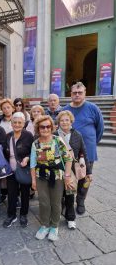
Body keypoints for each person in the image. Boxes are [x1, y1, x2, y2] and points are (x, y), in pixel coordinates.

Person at [63, 81, 104, 214]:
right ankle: (67, 199)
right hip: (68, 152)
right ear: (71, 94)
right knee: (68, 175)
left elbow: (100, 129)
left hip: (88, 152)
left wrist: (91, 143)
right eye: (74, 92)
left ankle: (81, 200)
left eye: (80, 93)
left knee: (86, 178)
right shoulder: (65, 110)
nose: (77, 95)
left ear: (85, 93)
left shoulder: (93, 108)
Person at [30, 115, 72, 241]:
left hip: (57, 176)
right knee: (43, 202)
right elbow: (32, 163)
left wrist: (67, 176)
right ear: (38, 128)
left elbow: (68, 158)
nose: (45, 129)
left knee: (56, 202)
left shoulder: (58, 140)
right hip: (41, 176)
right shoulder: (35, 143)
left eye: (48, 126)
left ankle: (54, 226)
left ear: (52, 127)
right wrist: (33, 180)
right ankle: (45, 225)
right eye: (42, 127)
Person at [55, 110, 92, 229]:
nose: (64, 122)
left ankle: (70, 218)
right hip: (56, 169)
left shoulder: (77, 135)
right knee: (57, 194)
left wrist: (89, 172)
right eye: (62, 120)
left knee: (70, 195)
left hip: (71, 171)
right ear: (58, 122)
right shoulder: (54, 135)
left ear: (71, 121)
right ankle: (56, 215)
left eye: (67, 120)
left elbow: (84, 152)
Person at [3, 112, 34, 228]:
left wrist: (27, 158)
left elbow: (33, 152)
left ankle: (23, 215)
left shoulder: (28, 136)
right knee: (11, 193)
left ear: (23, 123)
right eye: (14, 122)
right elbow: (4, 151)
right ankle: (11, 215)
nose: (17, 124)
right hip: (11, 170)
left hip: (23, 169)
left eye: (19, 122)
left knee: (25, 193)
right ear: (11, 123)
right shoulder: (8, 136)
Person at [0, 98, 15, 203]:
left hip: (15, 150)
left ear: (12, 108)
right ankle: (3, 193)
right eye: (4, 108)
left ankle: (15, 195)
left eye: (8, 107)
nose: (7, 110)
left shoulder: (18, 118)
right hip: (2, 150)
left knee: (13, 174)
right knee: (2, 173)